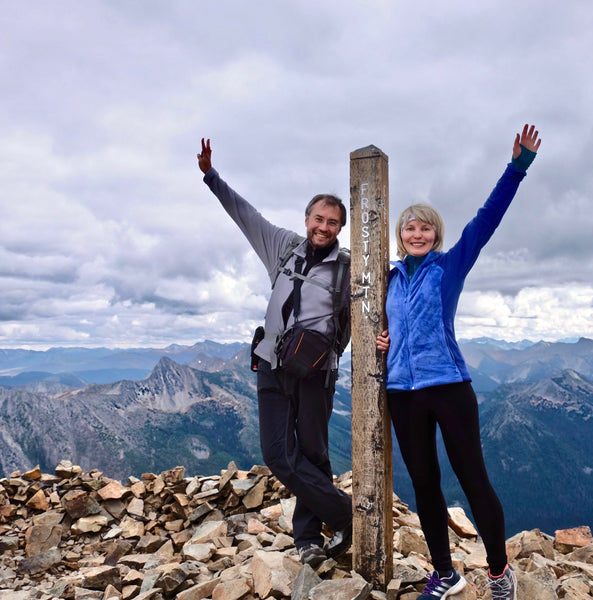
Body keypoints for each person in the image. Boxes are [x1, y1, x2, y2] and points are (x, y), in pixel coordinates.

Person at [376, 124, 541, 600]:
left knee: (473, 480)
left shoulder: (449, 266)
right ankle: (445, 573)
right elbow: (376, 323)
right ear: (400, 236)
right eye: (410, 226)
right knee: (425, 484)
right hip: (402, 393)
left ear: (436, 235)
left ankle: (497, 571)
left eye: (426, 226)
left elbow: (487, 219)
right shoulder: (386, 279)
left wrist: (517, 167)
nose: (417, 232)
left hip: (448, 386)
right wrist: (384, 341)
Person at [197, 139, 352, 568]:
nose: (324, 227)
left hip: (317, 372)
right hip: (271, 364)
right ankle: (345, 514)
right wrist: (212, 177)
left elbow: (379, 305)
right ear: (307, 219)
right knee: (278, 455)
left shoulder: (348, 266)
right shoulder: (283, 246)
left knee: (315, 455)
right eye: (319, 219)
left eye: (333, 222)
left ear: (340, 228)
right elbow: (244, 214)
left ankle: (307, 540)